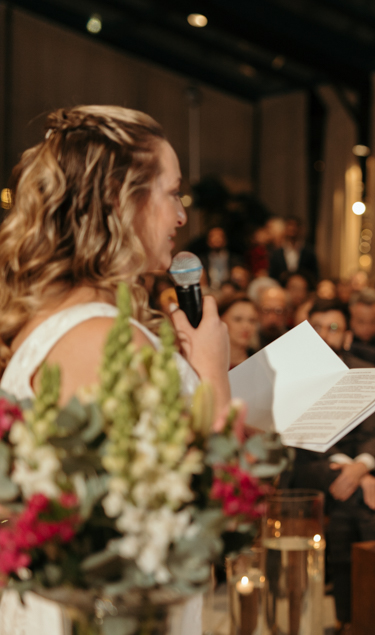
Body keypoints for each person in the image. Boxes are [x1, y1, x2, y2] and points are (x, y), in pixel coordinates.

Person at [0, 106, 231, 635]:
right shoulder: (103, 338)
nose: (182, 217)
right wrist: (213, 377)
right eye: (173, 193)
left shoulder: (63, 319)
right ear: (121, 202)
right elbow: (190, 512)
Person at [288, 299, 375, 630]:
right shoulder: (292, 376)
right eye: (316, 328)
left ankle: (348, 618)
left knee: (352, 503)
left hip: (354, 472)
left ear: (347, 336)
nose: (324, 335)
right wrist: (355, 472)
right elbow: (304, 437)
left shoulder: (365, 372)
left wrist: (359, 469)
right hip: (311, 464)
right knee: (359, 497)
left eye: (332, 328)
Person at [219, 293, 258, 369]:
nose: (246, 326)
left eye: (252, 320)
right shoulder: (206, 363)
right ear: (221, 320)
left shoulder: (261, 363)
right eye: (238, 319)